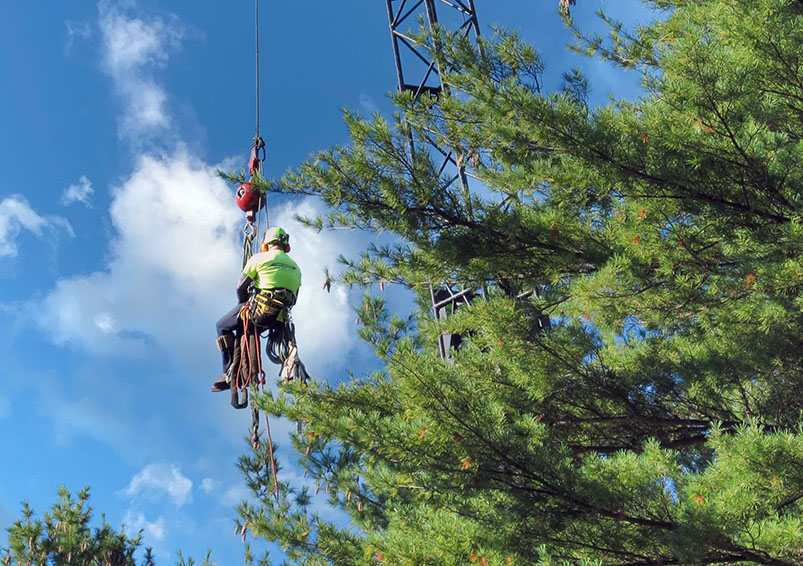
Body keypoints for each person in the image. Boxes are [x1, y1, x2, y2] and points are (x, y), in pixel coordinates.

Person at [213, 226, 302, 392]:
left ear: (265, 244)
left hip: (258, 312)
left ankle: (228, 373)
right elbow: (294, 297)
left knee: (222, 326)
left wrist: (243, 303)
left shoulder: (258, 258)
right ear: (286, 246)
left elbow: (240, 287)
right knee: (249, 334)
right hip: (280, 319)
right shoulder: (296, 267)